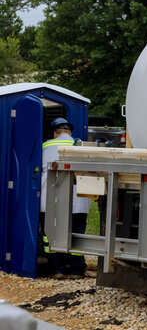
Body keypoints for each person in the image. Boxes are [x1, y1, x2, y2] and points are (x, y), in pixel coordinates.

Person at [40, 118, 90, 279]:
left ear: (55, 133)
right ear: (70, 133)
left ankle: (57, 269)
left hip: (51, 198)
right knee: (76, 233)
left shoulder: (45, 146)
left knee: (51, 235)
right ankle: (76, 270)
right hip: (78, 200)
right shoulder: (80, 145)